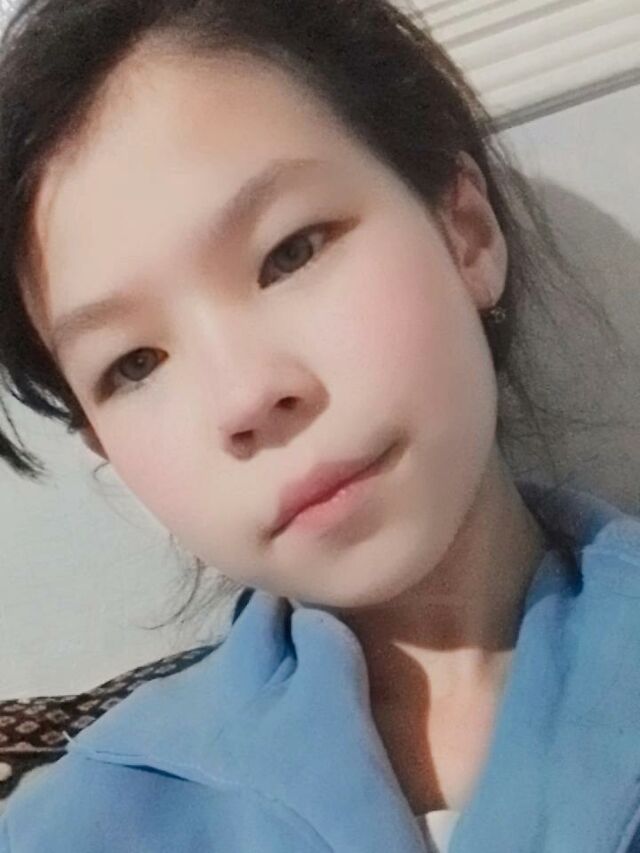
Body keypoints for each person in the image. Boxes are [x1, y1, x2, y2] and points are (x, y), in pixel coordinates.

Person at [0, 1, 637, 851]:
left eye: (291, 251)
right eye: (135, 363)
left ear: (466, 234)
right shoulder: (75, 826)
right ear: (105, 450)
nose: (245, 397)